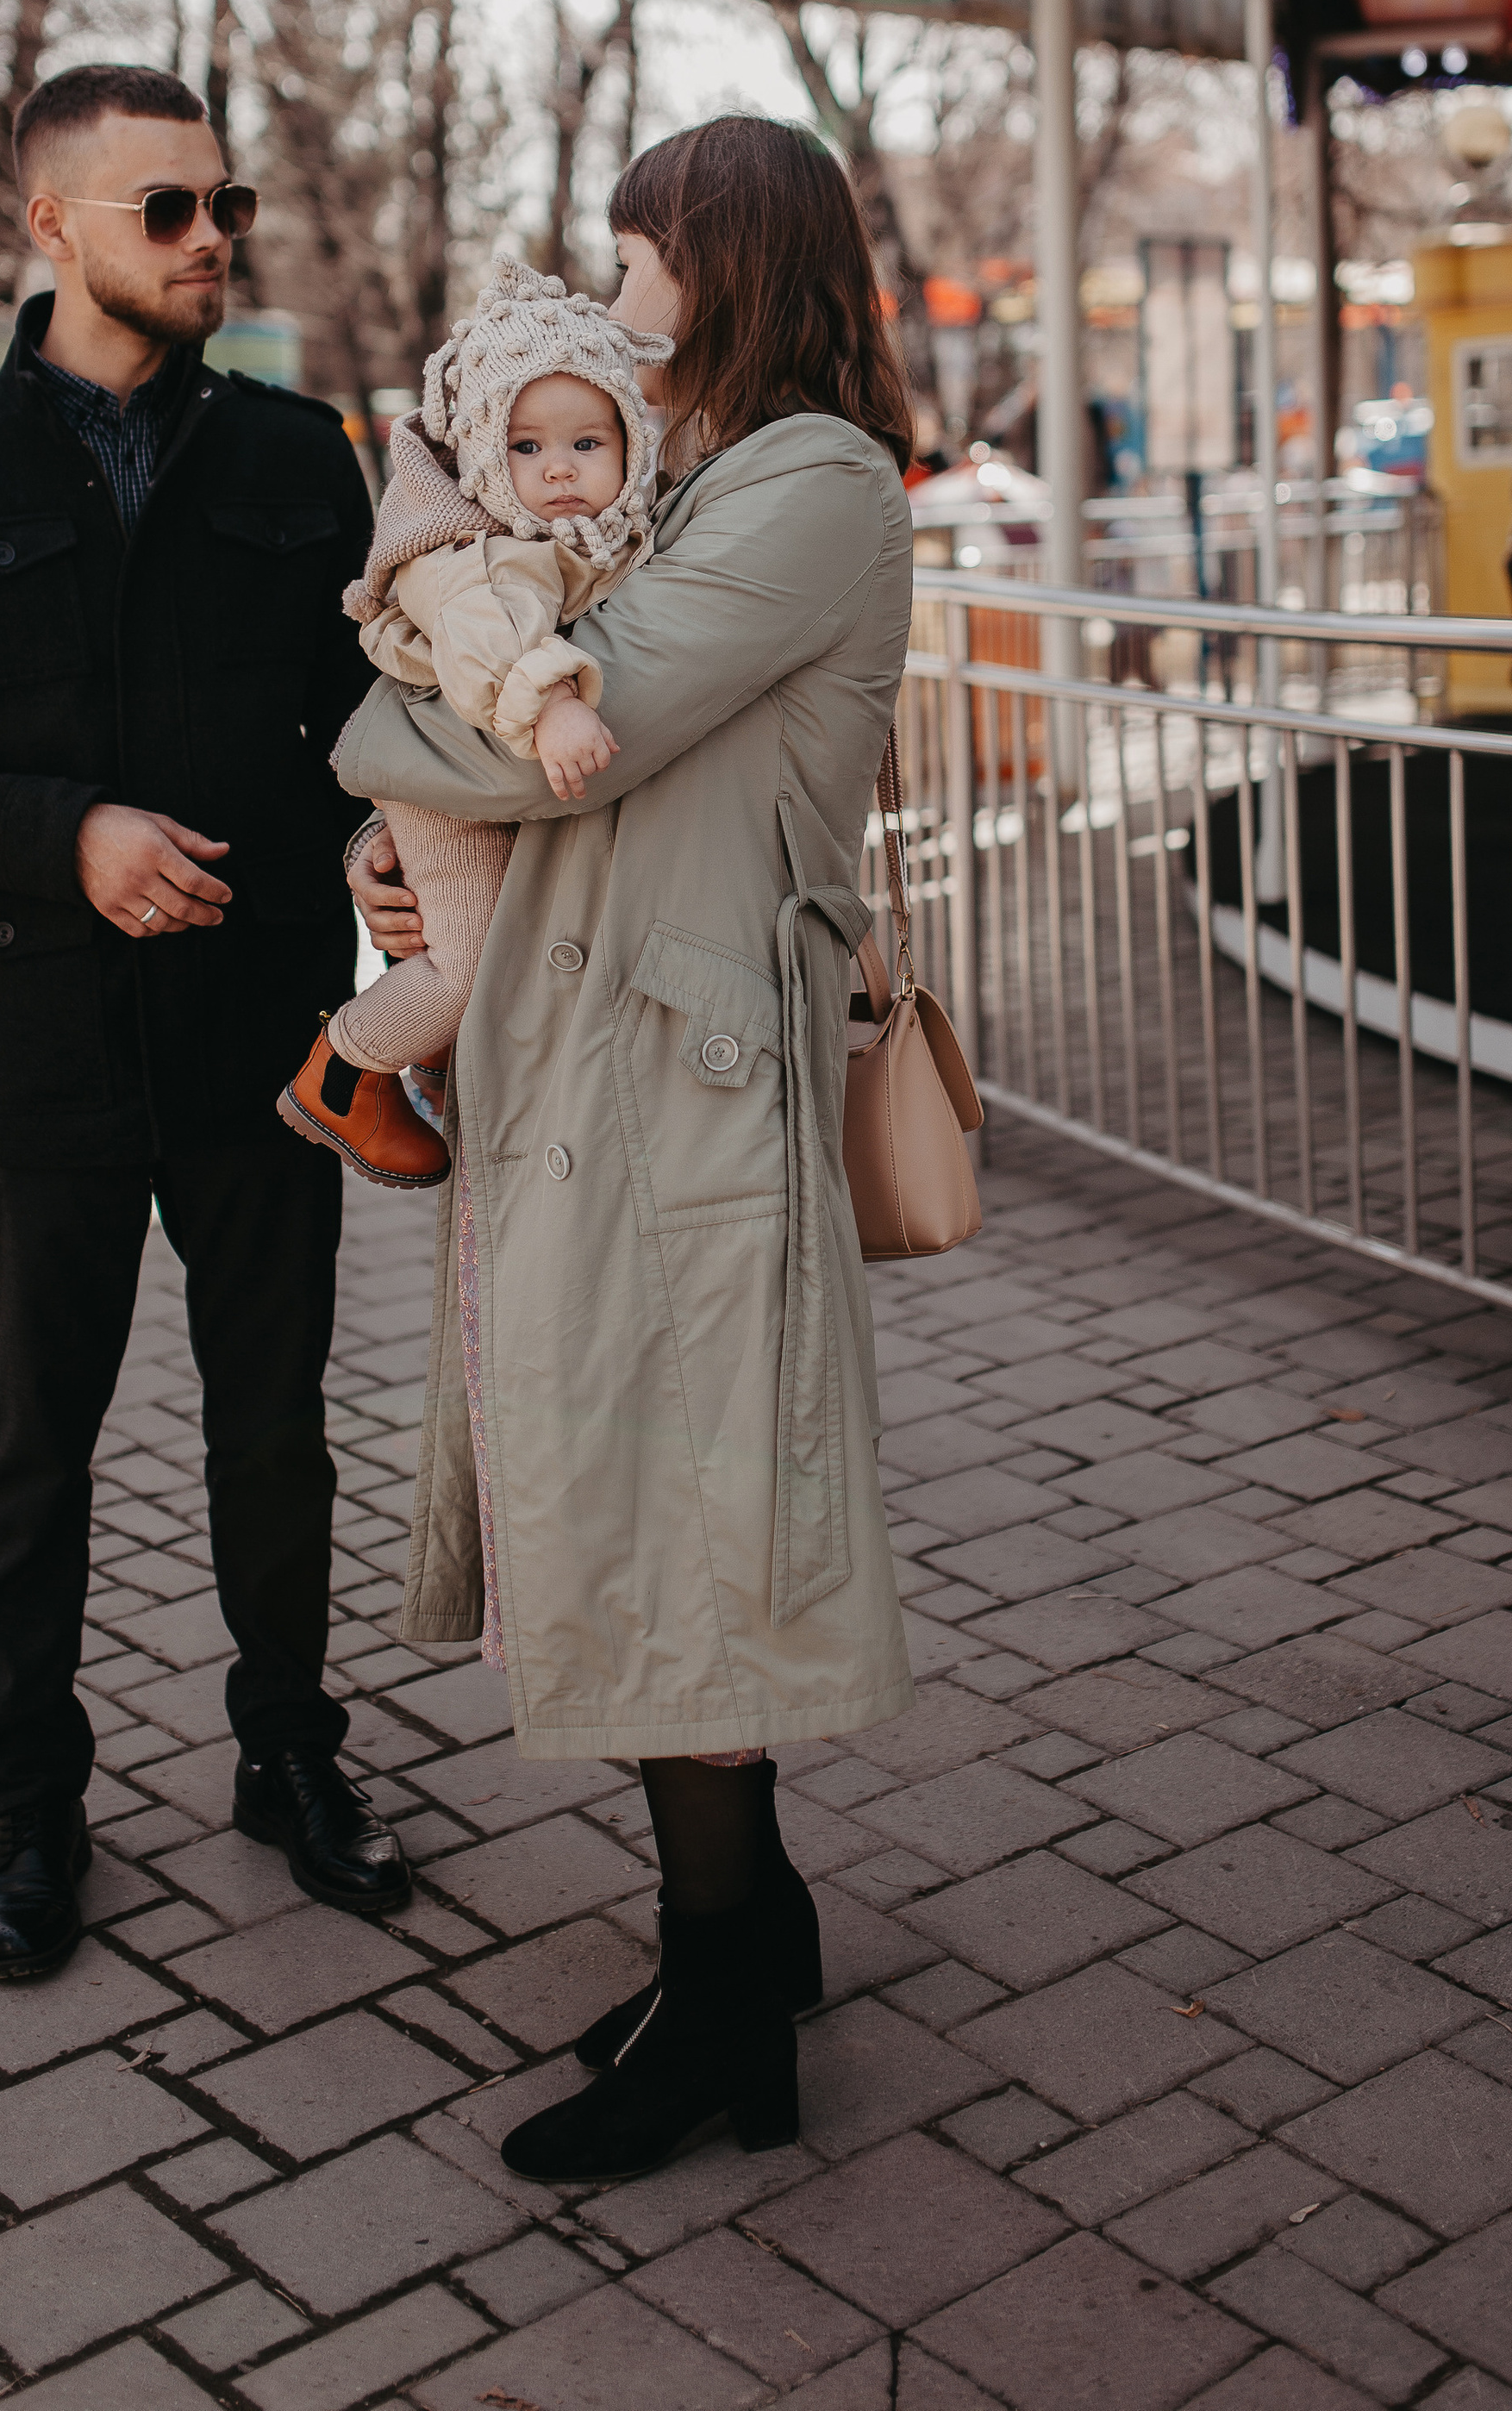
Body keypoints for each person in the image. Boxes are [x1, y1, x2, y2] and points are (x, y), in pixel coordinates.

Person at [341, 114, 917, 2184]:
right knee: (634, 1492)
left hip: (680, 1083)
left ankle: (725, 1994)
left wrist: (366, 735)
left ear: (728, 254)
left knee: (679, 1527)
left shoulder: (811, 487)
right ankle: (745, 1944)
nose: (618, 275)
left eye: (642, 241)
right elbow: (517, 695)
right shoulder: (696, 478)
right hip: (600, 1057)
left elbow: (566, 719)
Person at [0, 61, 410, 1984]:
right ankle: (32, 1808)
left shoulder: (303, 459)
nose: (212, 236)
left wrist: (391, 837)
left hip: (259, 1035)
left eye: (222, 202)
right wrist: (61, 836)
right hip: (29, 1055)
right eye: (169, 209)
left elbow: (358, 726)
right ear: (49, 225)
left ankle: (289, 1754)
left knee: (275, 1433)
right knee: (26, 1451)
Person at [280, 255, 669, 1187]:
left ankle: (434, 1062)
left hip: (458, 769)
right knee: (471, 961)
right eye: (526, 449)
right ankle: (343, 1070)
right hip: (445, 790)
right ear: (485, 458)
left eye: (588, 443)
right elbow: (493, 641)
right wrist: (558, 705)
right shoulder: (472, 554)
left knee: (501, 937)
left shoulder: (588, 535)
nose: (560, 471)